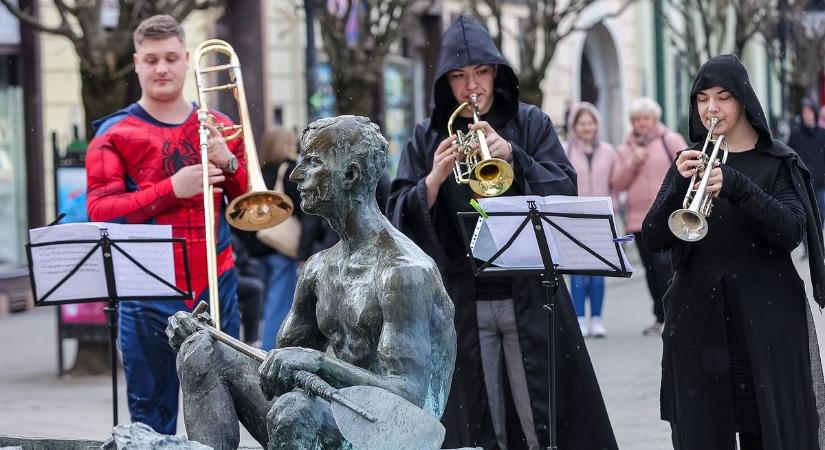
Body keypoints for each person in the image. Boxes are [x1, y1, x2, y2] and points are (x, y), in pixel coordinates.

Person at [387, 15, 617, 450]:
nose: (470, 86)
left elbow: (564, 187)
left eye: (480, 73)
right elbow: (396, 217)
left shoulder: (531, 124)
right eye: (458, 76)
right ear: (444, 83)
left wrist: (515, 156)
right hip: (460, 302)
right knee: (478, 420)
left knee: (542, 418)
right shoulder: (425, 136)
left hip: (530, 294)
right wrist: (432, 181)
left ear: (496, 73)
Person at [166, 115, 456, 450]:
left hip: (385, 433)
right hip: (322, 415)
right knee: (199, 351)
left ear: (350, 175)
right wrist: (211, 334)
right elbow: (275, 372)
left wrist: (317, 362)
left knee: (293, 413)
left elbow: (409, 396)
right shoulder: (319, 268)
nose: (295, 174)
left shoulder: (404, 273)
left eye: (312, 162)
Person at [643, 54, 825, 449]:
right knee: (703, 434)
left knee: (771, 432)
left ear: (743, 100)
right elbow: (654, 237)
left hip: (767, 320)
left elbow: (792, 231)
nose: (711, 107)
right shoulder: (689, 161)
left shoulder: (778, 161)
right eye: (702, 98)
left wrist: (738, 187)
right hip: (698, 322)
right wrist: (677, 181)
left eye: (723, 97)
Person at [85, 15, 244, 434]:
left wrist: (229, 160)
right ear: (136, 63)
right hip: (147, 294)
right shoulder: (113, 132)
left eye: (171, 58)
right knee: (150, 422)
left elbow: (253, 210)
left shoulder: (220, 126)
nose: (161, 69)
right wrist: (172, 188)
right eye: (151, 59)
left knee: (222, 415)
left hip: (217, 283)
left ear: (187, 60)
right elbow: (100, 210)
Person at [611, 97, 687, 336]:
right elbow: (618, 182)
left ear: (654, 120)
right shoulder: (625, 149)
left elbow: (688, 170)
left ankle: (674, 316)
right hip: (638, 219)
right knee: (651, 271)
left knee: (666, 268)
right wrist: (633, 162)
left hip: (666, 215)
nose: (642, 123)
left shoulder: (670, 140)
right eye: (637, 119)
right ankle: (659, 316)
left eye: (646, 118)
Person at [236, 127, 302, 350]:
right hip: (279, 250)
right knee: (278, 306)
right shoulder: (288, 171)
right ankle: (270, 351)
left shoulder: (258, 173)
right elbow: (302, 212)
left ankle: (256, 344)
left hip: (256, 249)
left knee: (261, 304)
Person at [563, 102, 617, 338]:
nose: (587, 127)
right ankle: (579, 317)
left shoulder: (608, 151)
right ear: (574, 126)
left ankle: (596, 318)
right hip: (573, 220)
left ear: (597, 125)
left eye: (591, 122)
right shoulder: (565, 150)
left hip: (601, 220)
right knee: (577, 273)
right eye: (582, 123)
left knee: (598, 272)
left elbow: (617, 183)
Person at [787, 98, 825, 241]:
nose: (807, 115)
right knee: (805, 215)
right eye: (804, 112)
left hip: (821, 182)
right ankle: (807, 246)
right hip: (802, 182)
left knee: (821, 213)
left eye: (809, 111)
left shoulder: (822, 134)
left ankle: (818, 241)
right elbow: (790, 158)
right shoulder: (796, 135)